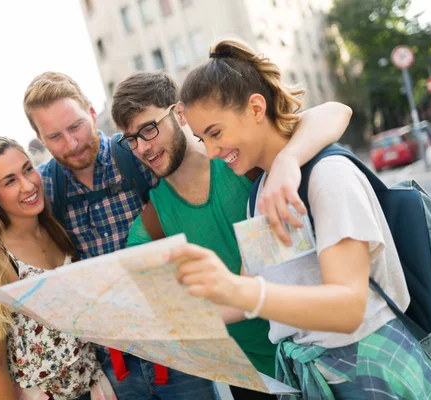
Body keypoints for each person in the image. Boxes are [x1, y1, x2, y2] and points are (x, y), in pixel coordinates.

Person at [171, 37, 431, 399]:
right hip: (324, 381)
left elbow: (350, 307)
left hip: (373, 378)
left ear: (256, 108)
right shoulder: (259, 195)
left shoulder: (327, 175)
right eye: (200, 139)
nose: (209, 152)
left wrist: (240, 291)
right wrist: (168, 322)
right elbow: (242, 292)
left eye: (215, 133)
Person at [0, 73, 221, 400]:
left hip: (178, 350)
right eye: (54, 136)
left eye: (76, 126)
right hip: (112, 367)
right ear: (39, 137)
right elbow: (2, 209)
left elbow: (201, 164)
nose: (71, 143)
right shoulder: (44, 187)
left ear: (92, 112)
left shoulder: (139, 156)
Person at [112, 71, 351, 399]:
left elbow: (335, 111)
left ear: (179, 113)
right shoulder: (155, 216)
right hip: (254, 379)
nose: (142, 147)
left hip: (318, 350)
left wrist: (287, 161)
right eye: (131, 139)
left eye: (149, 129)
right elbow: (127, 278)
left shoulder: (238, 158)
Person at [0, 135, 114, 400]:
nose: (28, 185)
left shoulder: (58, 229)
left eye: (28, 169)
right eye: (9, 181)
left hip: (97, 388)